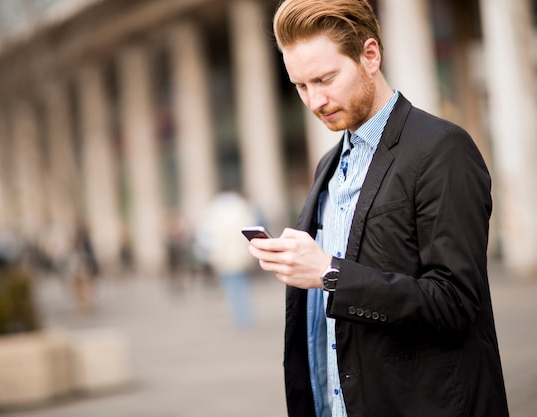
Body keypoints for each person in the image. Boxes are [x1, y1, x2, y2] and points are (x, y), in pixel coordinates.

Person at [247, 1, 509, 416]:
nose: (315, 100)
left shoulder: (442, 149)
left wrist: (329, 273)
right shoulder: (328, 165)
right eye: (301, 86)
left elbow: (455, 302)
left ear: (370, 55)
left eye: (325, 79)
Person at [197, 190, 258, 329]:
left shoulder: (215, 214)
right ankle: (245, 318)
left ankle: (241, 318)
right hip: (237, 259)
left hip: (225, 260)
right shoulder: (241, 212)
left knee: (232, 289)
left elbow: (208, 237)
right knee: (241, 288)